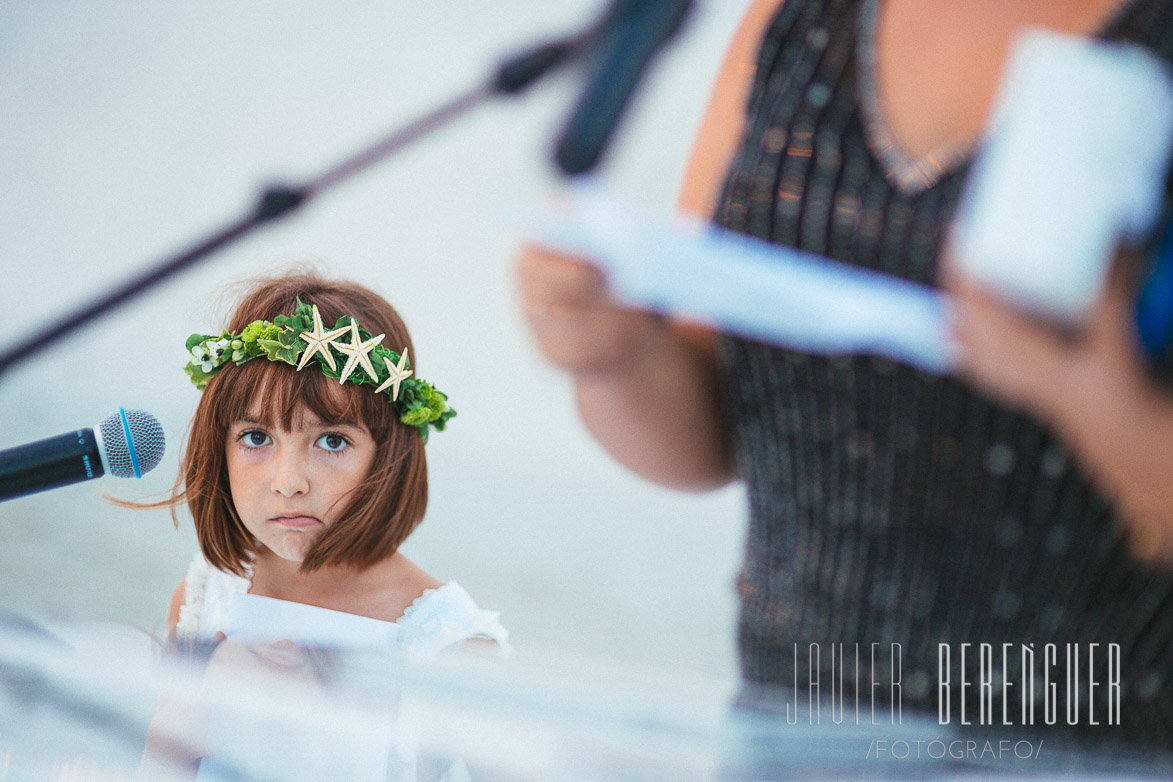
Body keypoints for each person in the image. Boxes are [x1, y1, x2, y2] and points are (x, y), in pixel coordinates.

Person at [519, 0, 1173, 751]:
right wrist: (614, 354)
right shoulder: (793, 17)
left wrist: (1079, 395)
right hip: (791, 737)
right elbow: (709, 441)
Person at [141, 271, 508, 777]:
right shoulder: (204, 595)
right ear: (218, 445)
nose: (288, 482)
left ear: (388, 454)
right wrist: (185, 721)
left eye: (332, 440)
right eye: (256, 437)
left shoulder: (450, 649)